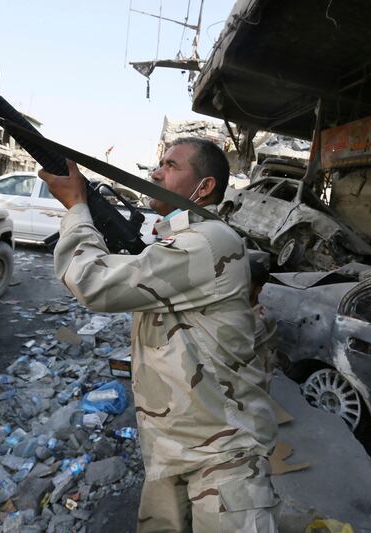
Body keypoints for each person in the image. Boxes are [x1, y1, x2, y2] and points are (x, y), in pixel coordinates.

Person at [38, 138, 279, 532]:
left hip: (222, 459)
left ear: (204, 187)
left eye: (171, 165)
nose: (155, 173)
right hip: (172, 449)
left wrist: (77, 209)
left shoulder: (208, 241)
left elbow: (93, 282)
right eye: (158, 163)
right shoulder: (181, 238)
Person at [249, 256, 276, 392]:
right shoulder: (241, 311)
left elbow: (229, 347)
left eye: (246, 283)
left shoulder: (261, 320)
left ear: (257, 290)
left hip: (251, 391)